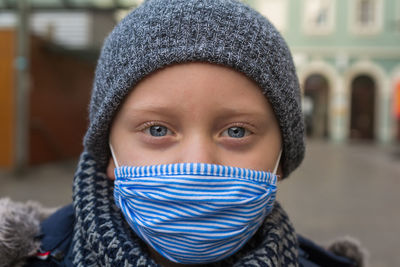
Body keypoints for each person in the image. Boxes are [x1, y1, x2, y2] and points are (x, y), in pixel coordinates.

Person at [0, 0, 366, 266]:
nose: (197, 163)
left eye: (237, 131)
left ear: (281, 158)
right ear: (109, 154)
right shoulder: (26, 257)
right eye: (157, 129)